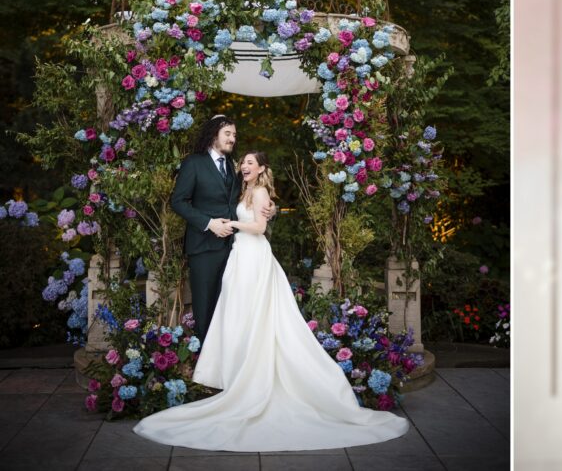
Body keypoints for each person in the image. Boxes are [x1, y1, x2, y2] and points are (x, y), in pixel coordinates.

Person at [134, 150, 410, 451]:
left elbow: (260, 228)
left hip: (254, 256)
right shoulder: (243, 188)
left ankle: (257, 377)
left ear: (262, 168)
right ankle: (239, 372)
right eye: (243, 162)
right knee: (239, 315)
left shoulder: (261, 190)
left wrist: (235, 224)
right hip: (239, 256)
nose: (244, 166)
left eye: (250, 163)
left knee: (257, 315)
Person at [169, 114, 274, 344]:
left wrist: (271, 208)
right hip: (203, 247)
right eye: (228, 134)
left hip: (234, 248)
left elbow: (253, 193)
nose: (232, 139)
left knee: (228, 306)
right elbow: (178, 201)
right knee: (205, 306)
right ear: (213, 134)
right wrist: (209, 223)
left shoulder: (233, 166)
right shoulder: (193, 163)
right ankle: (205, 362)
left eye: (234, 135)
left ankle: (225, 358)